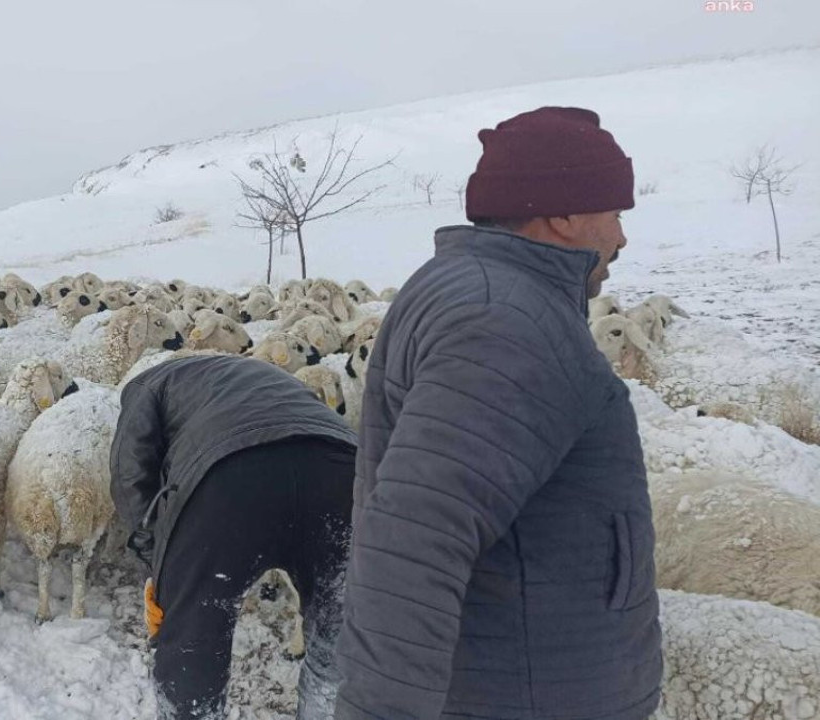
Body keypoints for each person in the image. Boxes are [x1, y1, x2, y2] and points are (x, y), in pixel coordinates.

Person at [335, 107, 662, 719]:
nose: (622, 237)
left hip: (515, 673)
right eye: (616, 213)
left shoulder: (475, 289)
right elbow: (414, 545)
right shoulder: (505, 321)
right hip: (530, 691)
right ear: (563, 214)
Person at [111, 354, 358, 720]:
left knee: (193, 647)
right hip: (341, 474)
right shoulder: (272, 376)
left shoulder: (147, 384)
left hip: (230, 482)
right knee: (338, 641)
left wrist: (158, 564)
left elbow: (129, 474)